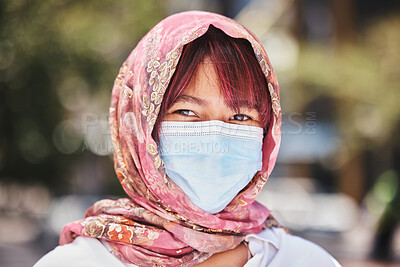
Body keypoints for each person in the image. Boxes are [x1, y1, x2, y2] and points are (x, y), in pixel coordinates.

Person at [34, 11, 341, 266]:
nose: (216, 137)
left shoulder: (303, 261)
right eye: (187, 112)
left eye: (240, 117)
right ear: (140, 127)